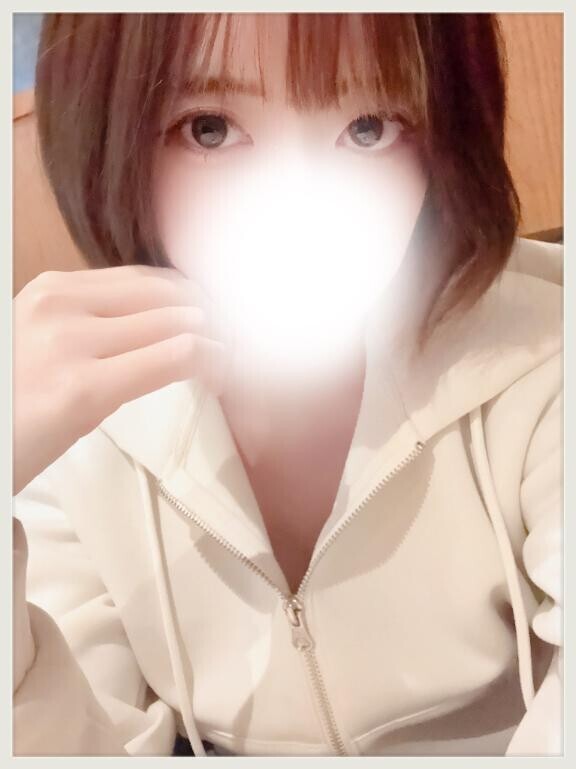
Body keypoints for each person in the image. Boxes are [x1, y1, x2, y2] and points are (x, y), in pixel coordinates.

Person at [12, 12, 562, 757]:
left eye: (368, 128)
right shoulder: (76, 429)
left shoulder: (544, 352)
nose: (299, 207)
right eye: (209, 129)